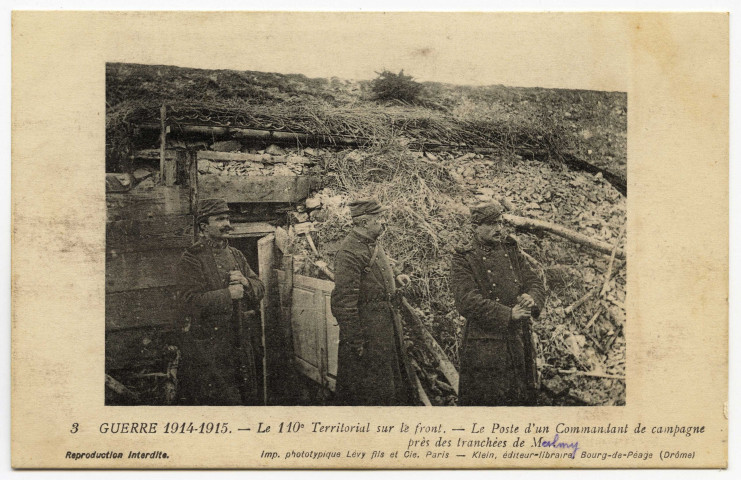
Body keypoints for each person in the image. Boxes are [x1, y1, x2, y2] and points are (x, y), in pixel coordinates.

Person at [450, 201, 545, 406]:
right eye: (491, 224)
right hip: (485, 344)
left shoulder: (510, 249)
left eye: (500, 223)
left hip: (519, 339)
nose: (499, 229)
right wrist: (508, 314)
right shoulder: (464, 258)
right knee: (489, 401)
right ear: (476, 228)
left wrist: (532, 298)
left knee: (521, 397)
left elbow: (534, 280)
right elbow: (467, 301)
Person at [176, 198, 265, 405]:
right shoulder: (191, 258)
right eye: (220, 219)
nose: (227, 223)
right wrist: (228, 295)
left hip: (241, 341)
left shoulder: (236, 254)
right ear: (204, 227)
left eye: (227, 218)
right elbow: (188, 301)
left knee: (246, 397)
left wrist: (245, 282)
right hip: (211, 347)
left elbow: (260, 286)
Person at [330, 199, 413, 405]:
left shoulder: (371, 242)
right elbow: (344, 303)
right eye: (378, 219)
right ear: (365, 222)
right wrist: (356, 341)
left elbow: (375, 270)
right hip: (368, 335)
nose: (382, 222)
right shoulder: (348, 253)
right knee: (370, 393)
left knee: (390, 385)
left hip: (384, 327)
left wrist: (395, 277)